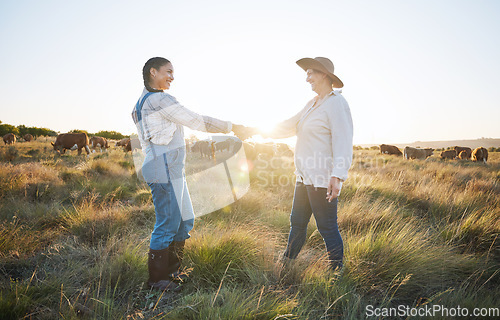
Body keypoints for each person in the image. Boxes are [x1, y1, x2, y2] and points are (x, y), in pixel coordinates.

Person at [132, 57, 248, 291]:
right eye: (168, 72)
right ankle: (157, 280)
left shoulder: (145, 101)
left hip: (171, 168)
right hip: (162, 168)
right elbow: (197, 120)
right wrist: (232, 127)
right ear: (153, 72)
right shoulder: (158, 99)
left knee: (185, 219)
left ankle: (173, 271)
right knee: (168, 223)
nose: (172, 77)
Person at [261, 57, 353, 271]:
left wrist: (337, 175)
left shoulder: (336, 103)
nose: (307, 78)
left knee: (327, 228)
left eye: (311, 72)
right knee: (297, 223)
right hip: (303, 177)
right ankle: (287, 264)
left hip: (322, 178)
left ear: (324, 75)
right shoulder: (311, 104)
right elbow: (288, 126)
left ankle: (336, 273)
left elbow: (343, 140)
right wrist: (255, 130)